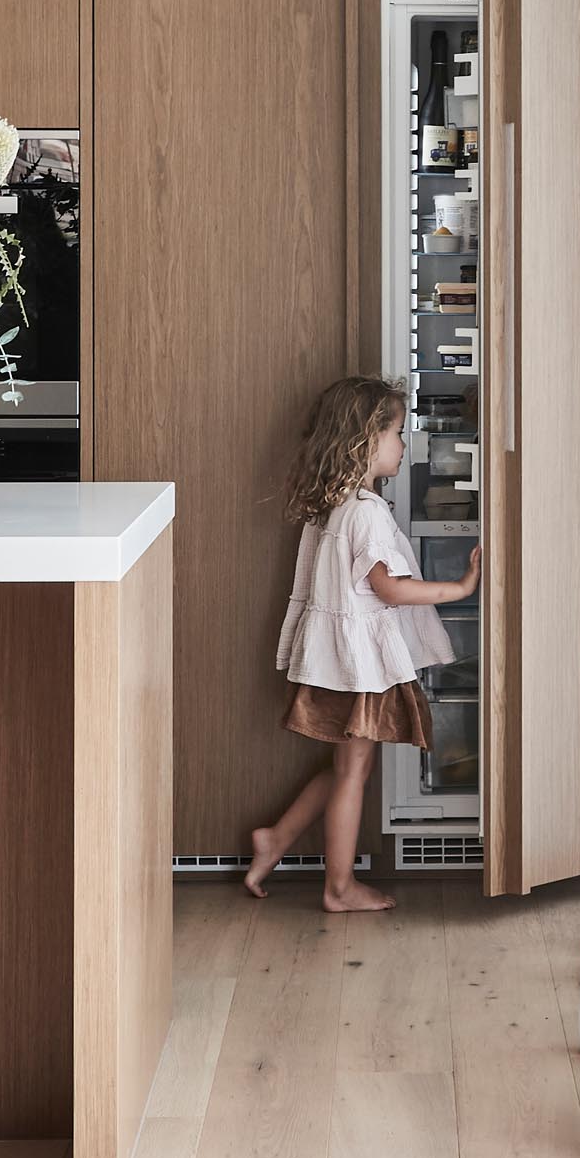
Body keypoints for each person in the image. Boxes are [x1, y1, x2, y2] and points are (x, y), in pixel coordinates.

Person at [247, 374, 480, 911]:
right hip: (361, 666)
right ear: (364, 441)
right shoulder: (368, 512)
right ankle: (339, 887)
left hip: (334, 659)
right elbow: (389, 588)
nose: (406, 445)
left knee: (345, 766)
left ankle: (277, 839)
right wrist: (462, 588)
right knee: (354, 770)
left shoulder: (335, 505)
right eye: (398, 433)